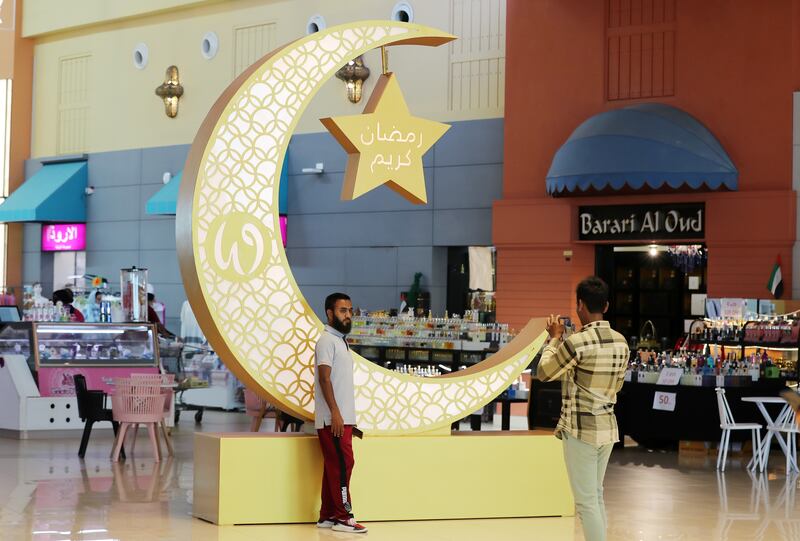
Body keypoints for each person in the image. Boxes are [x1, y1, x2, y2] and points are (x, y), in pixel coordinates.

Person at [535, 276, 629, 541]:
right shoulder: (621, 342)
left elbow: (544, 372)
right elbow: (618, 386)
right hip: (607, 428)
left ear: (580, 306)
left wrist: (554, 339)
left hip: (581, 430)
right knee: (595, 495)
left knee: (586, 503)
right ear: (606, 306)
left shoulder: (577, 342)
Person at [313, 292, 367, 534]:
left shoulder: (340, 341)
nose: (348, 315)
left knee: (335, 466)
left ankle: (328, 515)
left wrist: (349, 420)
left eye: (350, 310)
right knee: (344, 465)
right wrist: (335, 413)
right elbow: (324, 379)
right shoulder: (326, 341)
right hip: (332, 419)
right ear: (330, 313)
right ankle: (344, 517)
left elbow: (339, 382)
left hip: (341, 420)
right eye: (343, 311)